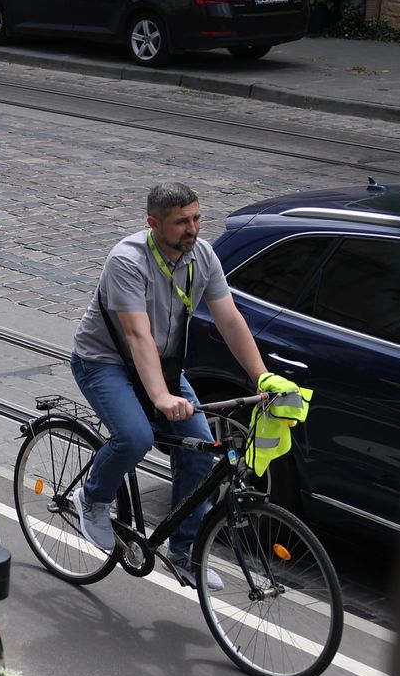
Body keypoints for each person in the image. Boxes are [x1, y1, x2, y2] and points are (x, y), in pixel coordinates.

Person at [67, 183, 272, 592]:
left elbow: (230, 320)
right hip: (104, 362)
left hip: (162, 366)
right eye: (181, 222)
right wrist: (160, 397)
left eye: (196, 218)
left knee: (201, 453)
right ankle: (92, 498)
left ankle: (184, 552)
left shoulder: (203, 255)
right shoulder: (127, 261)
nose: (192, 228)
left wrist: (261, 376)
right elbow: (136, 334)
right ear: (153, 224)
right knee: (135, 437)